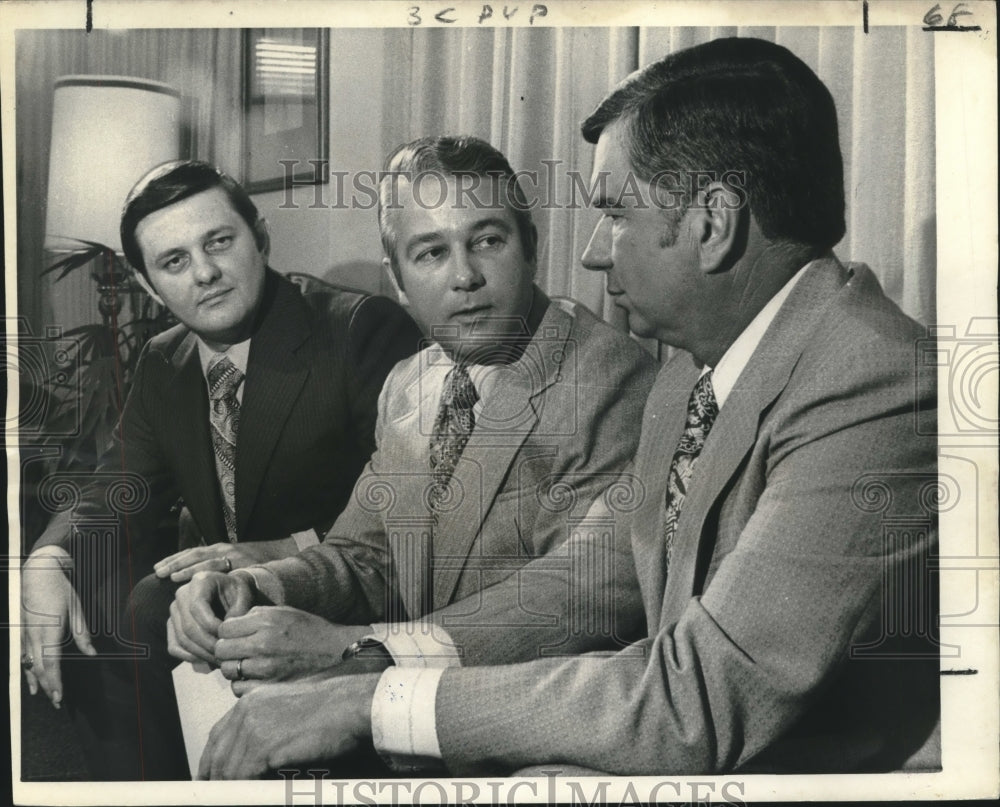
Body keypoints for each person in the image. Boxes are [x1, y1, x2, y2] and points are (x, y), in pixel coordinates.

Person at [194, 38, 939, 779]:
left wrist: (369, 699)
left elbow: (696, 698)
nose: (592, 254)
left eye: (615, 213)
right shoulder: (690, 374)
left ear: (713, 223)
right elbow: (585, 576)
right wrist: (364, 660)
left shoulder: (872, 380)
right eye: (428, 254)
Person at [164, 135, 657, 737]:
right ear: (397, 281)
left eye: (488, 240)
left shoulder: (605, 375)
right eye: (430, 253)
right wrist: (257, 585)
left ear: (531, 249)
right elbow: (366, 555)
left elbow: (575, 602)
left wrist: (359, 651)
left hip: (520, 730)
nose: (465, 277)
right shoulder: (410, 383)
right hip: (406, 706)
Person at [19, 160, 421, 779]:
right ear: (149, 284)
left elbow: (414, 511)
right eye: (174, 262)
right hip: (217, 606)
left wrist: (285, 548)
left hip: (337, 604)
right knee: (97, 608)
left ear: (259, 238)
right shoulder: (165, 361)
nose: (204, 273)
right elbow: (115, 487)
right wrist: (48, 559)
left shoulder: (359, 329)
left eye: (219, 242)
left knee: (150, 607)